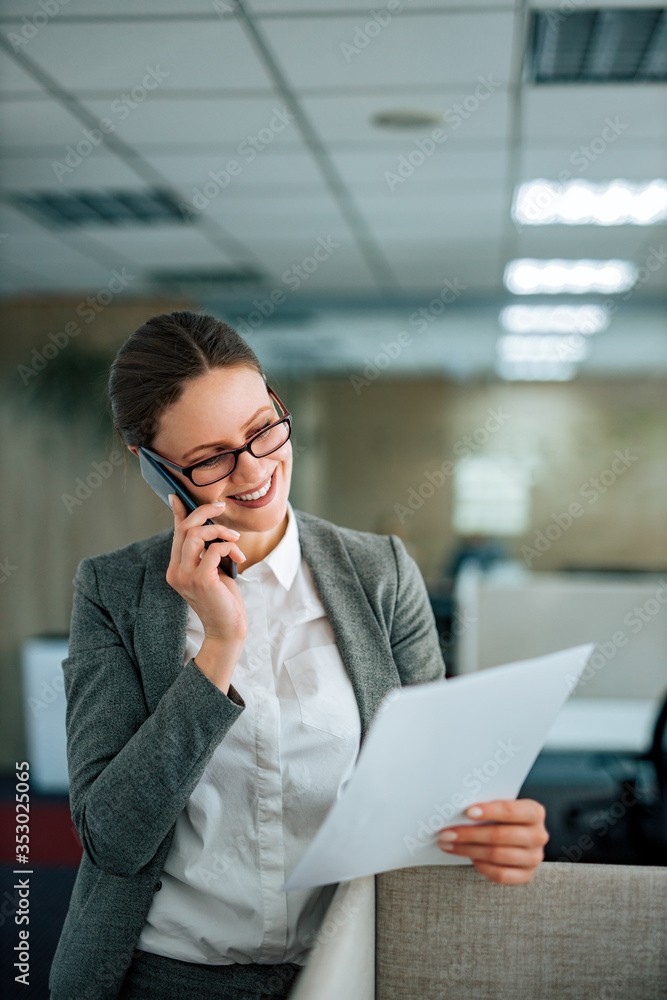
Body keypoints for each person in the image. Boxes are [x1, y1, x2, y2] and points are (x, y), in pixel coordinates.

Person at [49, 311, 549, 1000]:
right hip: (168, 976)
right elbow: (114, 839)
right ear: (157, 471)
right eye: (211, 458)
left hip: (346, 967)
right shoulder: (113, 592)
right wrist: (219, 647)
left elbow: (438, 789)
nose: (254, 469)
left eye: (262, 429)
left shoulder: (380, 572)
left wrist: (498, 832)